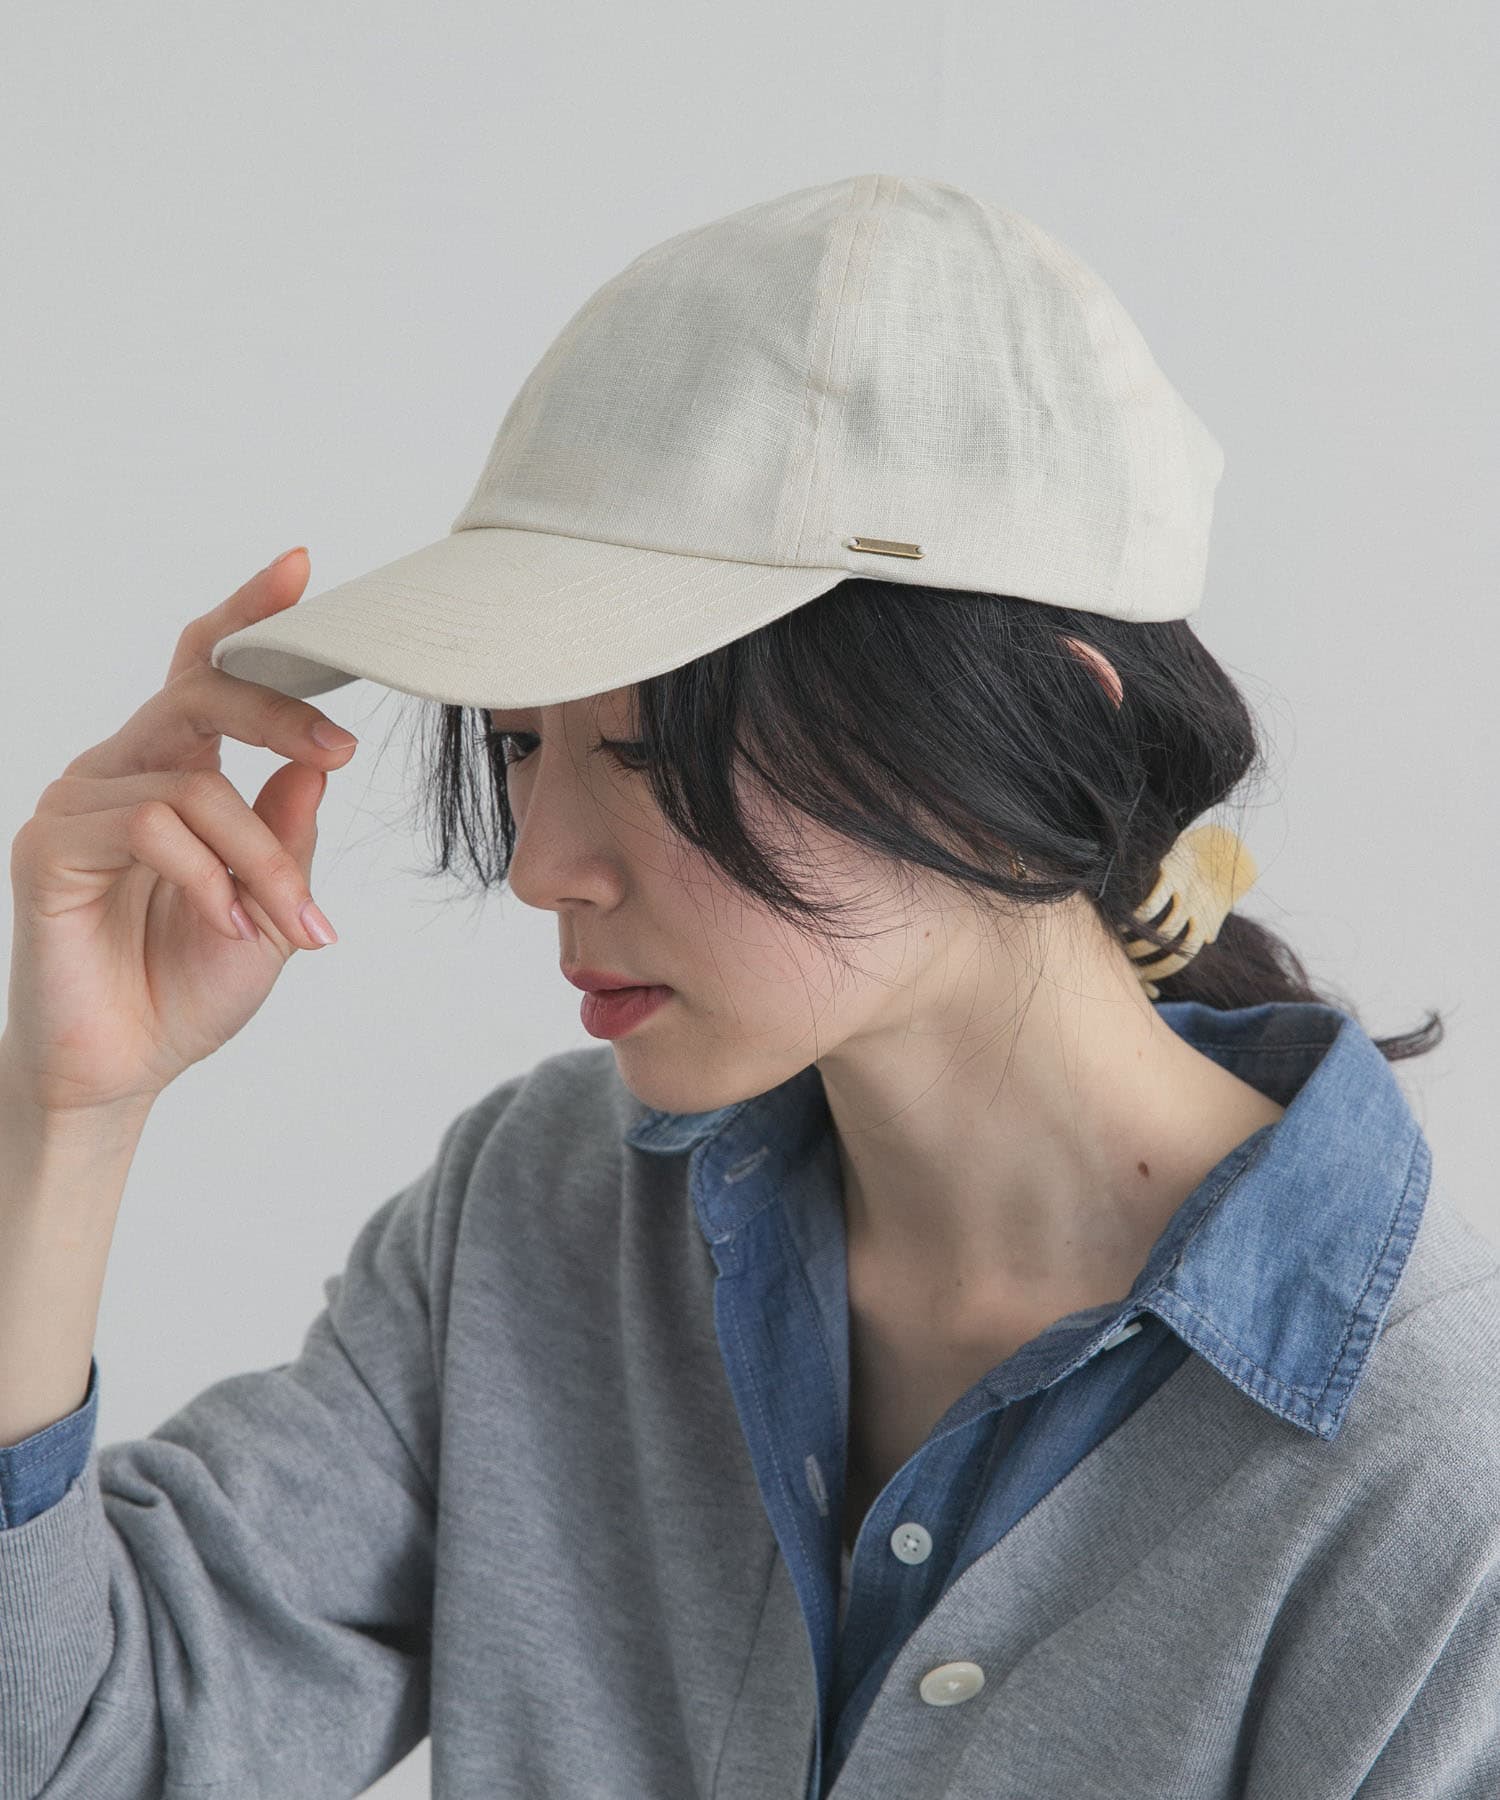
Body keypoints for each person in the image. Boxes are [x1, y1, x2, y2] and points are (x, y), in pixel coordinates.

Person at [1, 174, 1495, 1800]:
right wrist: (68, 1115)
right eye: (519, 745)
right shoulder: (543, 1211)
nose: (540, 863)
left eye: (650, 750)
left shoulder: (1436, 1481)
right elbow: (78, 1749)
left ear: (1029, 741)